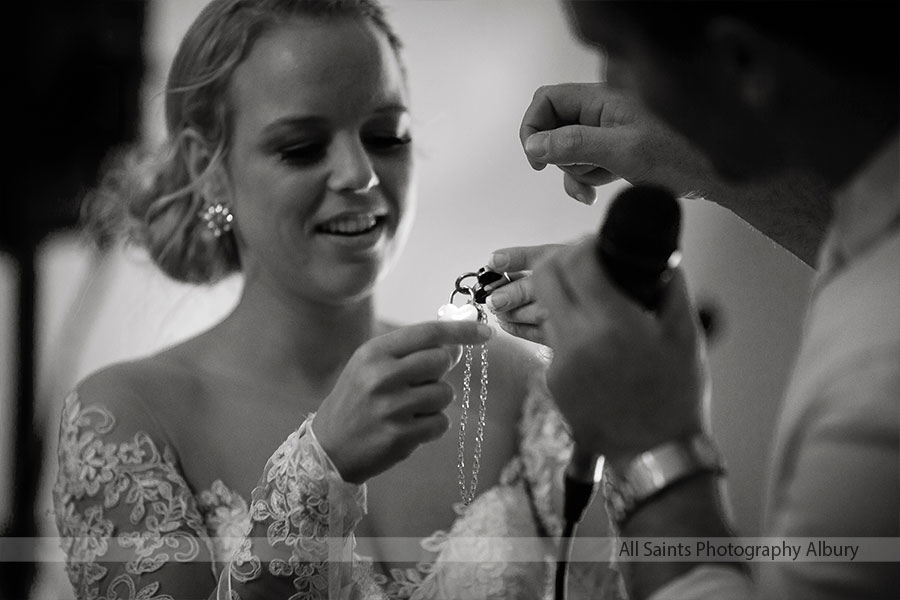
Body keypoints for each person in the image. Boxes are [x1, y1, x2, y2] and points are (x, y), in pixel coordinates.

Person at [52, 1, 616, 599]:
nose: (361, 174)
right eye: (301, 147)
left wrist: (631, 376)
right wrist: (317, 475)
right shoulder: (128, 416)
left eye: (386, 137)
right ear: (208, 168)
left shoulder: (518, 384)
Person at [490, 1, 898, 599]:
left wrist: (647, 441)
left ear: (741, 61)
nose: (607, 84)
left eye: (617, 54)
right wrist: (712, 146)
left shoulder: (878, 385)